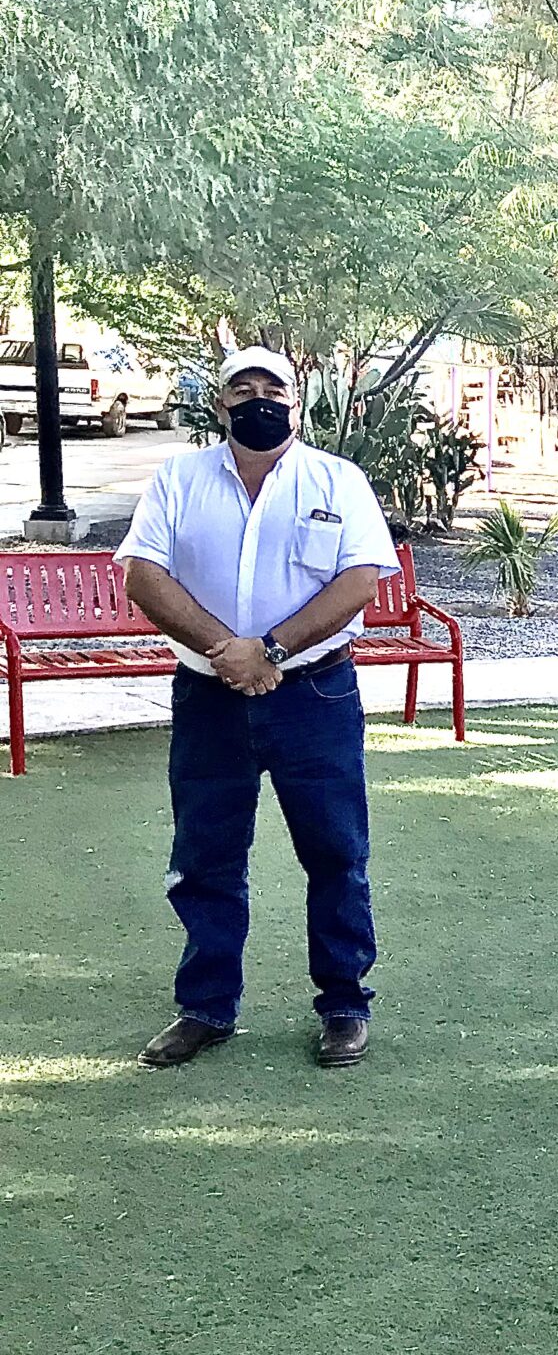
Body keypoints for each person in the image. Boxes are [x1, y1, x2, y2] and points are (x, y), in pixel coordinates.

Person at [116, 346, 400, 1069]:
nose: (258, 400)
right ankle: (206, 1008)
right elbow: (143, 575)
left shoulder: (338, 480)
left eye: (272, 389)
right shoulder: (179, 480)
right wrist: (228, 652)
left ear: (296, 403)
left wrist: (267, 650)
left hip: (315, 695)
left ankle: (344, 1006)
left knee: (336, 853)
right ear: (219, 405)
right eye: (241, 390)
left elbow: (359, 582)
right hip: (209, 698)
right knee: (205, 857)